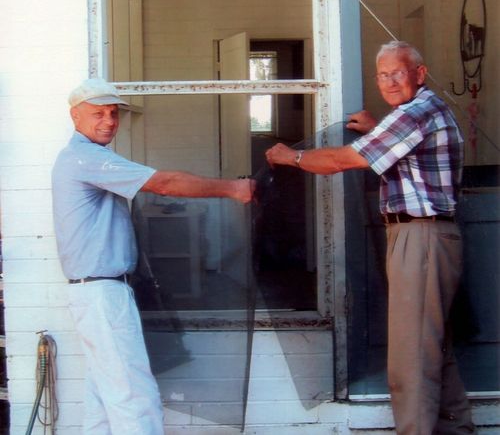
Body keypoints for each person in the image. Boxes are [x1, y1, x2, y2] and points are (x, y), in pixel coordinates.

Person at [265, 41, 475, 434]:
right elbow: (407, 156)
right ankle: (457, 429)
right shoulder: (415, 113)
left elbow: (344, 160)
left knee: (411, 357)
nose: (390, 82)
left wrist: (288, 157)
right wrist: (378, 129)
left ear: (419, 73)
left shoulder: (413, 113)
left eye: (399, 72)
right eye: (383, 75)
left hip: (422, 238)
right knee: (432, 348)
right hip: (425, 237)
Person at [51, 78, 254, 435]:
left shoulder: (88, 158)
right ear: (75, 116)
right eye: (98, 113)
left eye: (114, 113)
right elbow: (164, 183)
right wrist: (232, 188)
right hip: (102, 294)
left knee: (103, 398)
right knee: (135, 398)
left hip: (98, 292)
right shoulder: (86, 157)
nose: (109, 121)